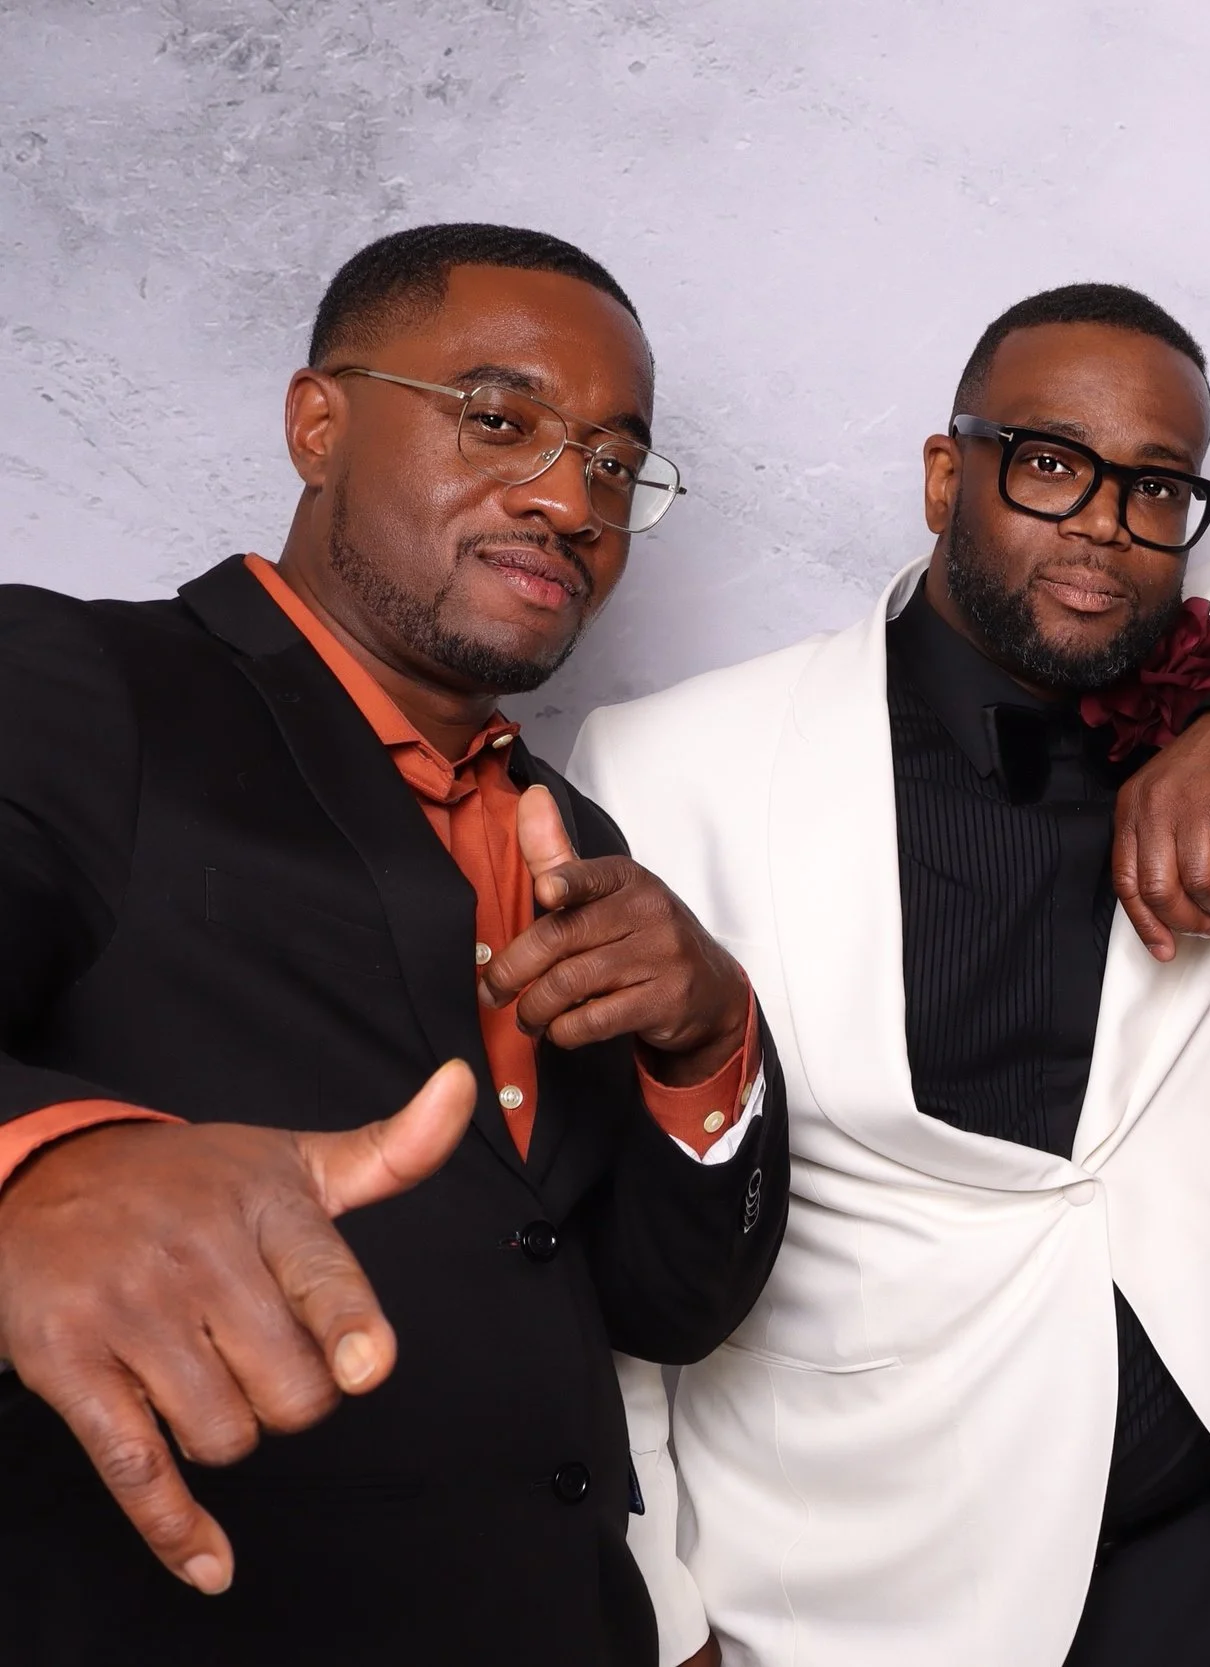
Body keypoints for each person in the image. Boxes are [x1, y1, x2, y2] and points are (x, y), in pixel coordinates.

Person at [573, 283, 1210, 1667]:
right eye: (1052, 465)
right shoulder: (673, 768)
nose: (1107, 528)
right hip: (864, 1588)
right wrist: (657, 1606)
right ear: (948, 474)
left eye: (1158, 488)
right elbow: (609, 1258)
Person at [0, 224, 791, 1665]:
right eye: (502, 421)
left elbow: (665, 1306)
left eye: (615, 463)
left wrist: (709, 1036)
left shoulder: (581, 842)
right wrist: (38, 1163)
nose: (570, 499)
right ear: (319, 424)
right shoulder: (74, 685)